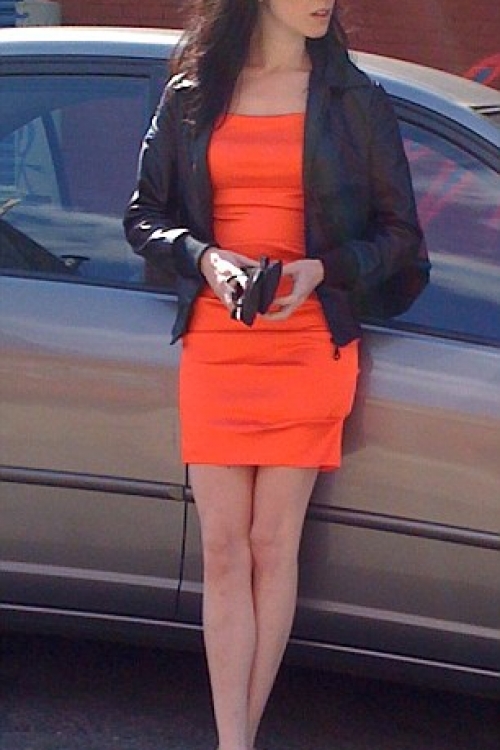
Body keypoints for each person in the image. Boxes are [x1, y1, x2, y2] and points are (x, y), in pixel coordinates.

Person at [123, 2, 424, 748]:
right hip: (218, 343)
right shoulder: (194, 95)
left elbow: (400, 238)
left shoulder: (354, 100)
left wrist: (324, 268)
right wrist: (205, 257)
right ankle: (235, 740)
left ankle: (238, 741)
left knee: (270, 544)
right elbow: (143, 218)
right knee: (223, 550)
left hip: (309, 344)